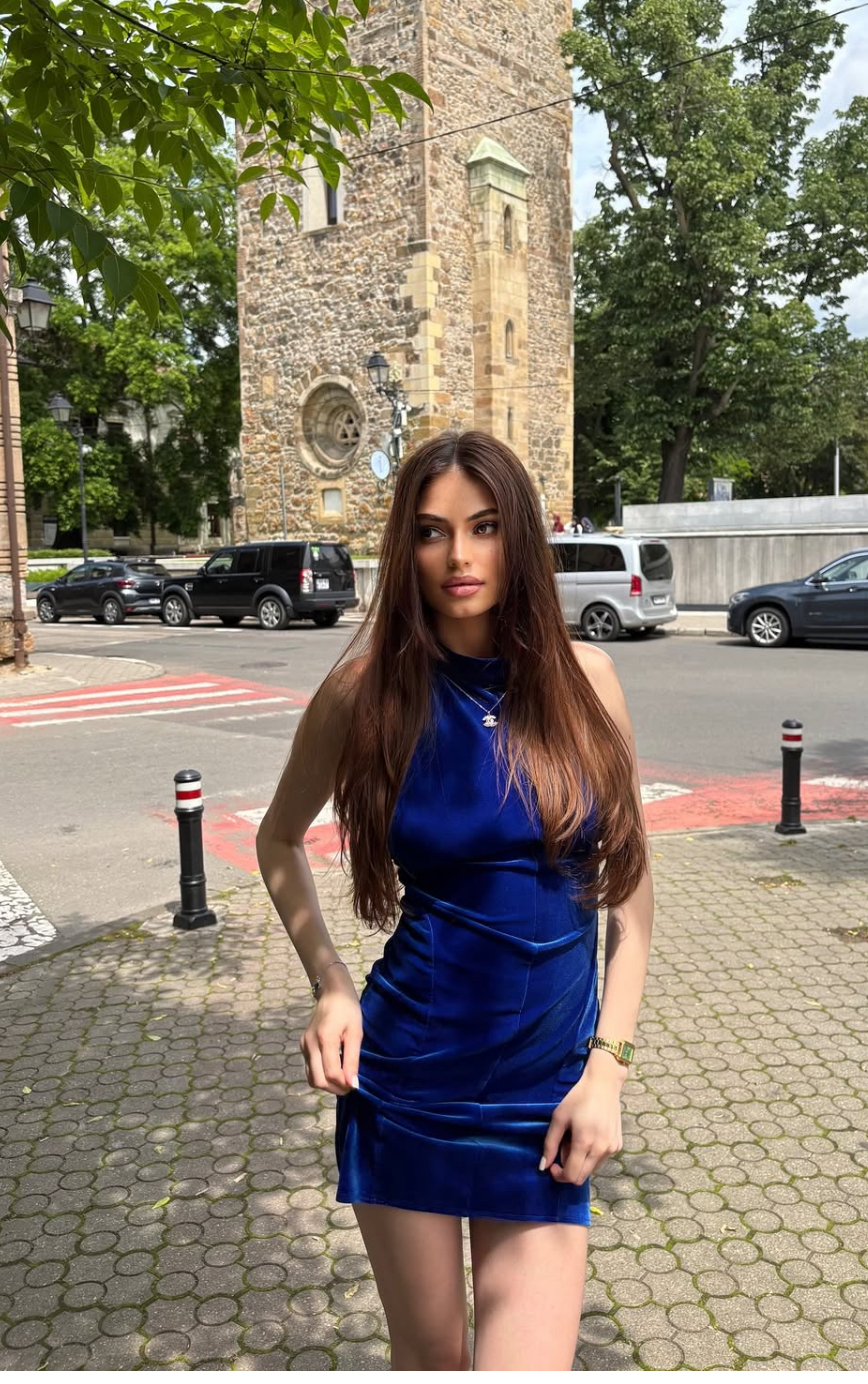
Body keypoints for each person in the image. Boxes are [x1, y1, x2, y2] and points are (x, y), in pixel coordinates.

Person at [255, 430, 653, 1370]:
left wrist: (607, 1071)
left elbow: (631, 902)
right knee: (431, 1356)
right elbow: (278, 839)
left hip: (547, 1093)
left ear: (520, 537)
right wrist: (331, 983)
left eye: (485, 527)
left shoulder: (588, 683)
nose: (460, 556)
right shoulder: (365, 692)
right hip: (409, 1082)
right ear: (407, 546)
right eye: (433, 532)